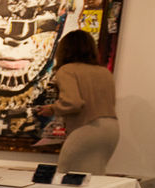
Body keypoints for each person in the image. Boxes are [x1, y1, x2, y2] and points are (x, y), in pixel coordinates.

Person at [35, 29, 119, 174]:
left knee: (68, 176)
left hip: (87, 128)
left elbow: (73, 102)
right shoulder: (104, 72)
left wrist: (53, 108)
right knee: (95, 176)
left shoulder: (67, 70)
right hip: (112, 130)